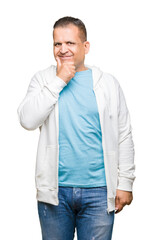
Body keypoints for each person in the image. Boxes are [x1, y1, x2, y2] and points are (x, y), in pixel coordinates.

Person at [17, 16, 135, 240]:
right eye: (57, 44)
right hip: (55, 192)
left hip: (99, 192)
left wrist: (125, 183)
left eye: (70, 43)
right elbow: (27, 120)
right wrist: (60, 79)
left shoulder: (108, 83)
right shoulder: (43, 80)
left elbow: (123, 135)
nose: (63, 49)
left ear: (85, 46)